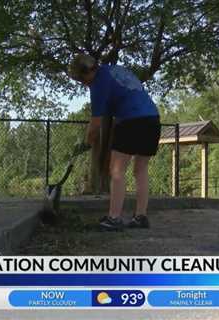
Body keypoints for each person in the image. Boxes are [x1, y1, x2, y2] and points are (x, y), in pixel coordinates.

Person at [69, 54, 161, 231]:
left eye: (81, 79)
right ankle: (141, 217)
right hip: (152, 119)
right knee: (140, 170)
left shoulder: (98, 82)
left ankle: (114, 218)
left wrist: (87, 142)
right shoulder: (114, 70)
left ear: (87, 72)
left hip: (131, 121)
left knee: (117, 171)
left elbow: (96, 123)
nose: (83, 83)